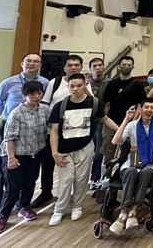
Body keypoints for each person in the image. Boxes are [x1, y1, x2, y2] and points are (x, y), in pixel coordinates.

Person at [48, 74, 120, 225]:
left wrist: (121, 131)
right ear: (68, 87)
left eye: (79, 86)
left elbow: (105, 119)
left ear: (84, 86)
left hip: (85, 147)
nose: (75, 89)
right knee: (66, 180)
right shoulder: (59, 106)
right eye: (72, 86)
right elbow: (54, 131)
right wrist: (54, 152)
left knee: (81, 180)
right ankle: (59, 210)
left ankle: (77, 206)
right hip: (64, 149)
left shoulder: (93, 103)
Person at [0, 53, 48, 221]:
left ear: (40, 65)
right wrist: (8, 119)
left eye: (36, 61)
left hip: (33, 129)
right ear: (22, 63)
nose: (32, 64)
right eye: (28, 60)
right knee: (1, 168)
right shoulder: (8, 83)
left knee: (29, 169)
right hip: (9, 126)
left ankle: (22, 204)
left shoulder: (44, 82)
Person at [35, 54, 92, 208]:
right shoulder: (55, 83)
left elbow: (92, 103)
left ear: (81, 67)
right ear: (64, 68)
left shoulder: (85, 84)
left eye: (76, 65)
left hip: (76, 133)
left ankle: (73, 198)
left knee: (73, 170)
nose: (73, 67)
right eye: (70, 65)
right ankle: (46, 191)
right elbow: (45, 104)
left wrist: (86, 87)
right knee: (48, 163)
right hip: (54, 131)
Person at [109, 100, 153, 235]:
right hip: (131, 163)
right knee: (131, 171)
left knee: (147, 172)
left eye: (152, 108)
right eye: (146, 107)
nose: (149, 110)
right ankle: (123, 213)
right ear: (140, 109)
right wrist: (126, 119)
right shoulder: (132, 125)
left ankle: (133, 211)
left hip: (149, 164)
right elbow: (115, 141)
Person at [102, 56, 146, 164]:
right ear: (118, 66)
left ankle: (123, 173)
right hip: (111, 123)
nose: (126, 67)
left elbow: (139, 106)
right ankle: (107, 173)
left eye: (129, 65)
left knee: (127, 152)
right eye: (124, 65)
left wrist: (133, 121)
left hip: (129, 124)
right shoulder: (112, 84)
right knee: (108, 152)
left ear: (133, 67)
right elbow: (107, 105)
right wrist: (105, 122)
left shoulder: (137, 85)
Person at [89, 57, 111, 190]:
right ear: (90, 68)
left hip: (100, 120)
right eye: (94, 66)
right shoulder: (86, 82)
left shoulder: (109, 83)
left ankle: (95, 178)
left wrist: (104, 119)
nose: (97, 68)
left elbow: (108, 103)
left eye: (100, 65)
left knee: (98, 151)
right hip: (85, 120)